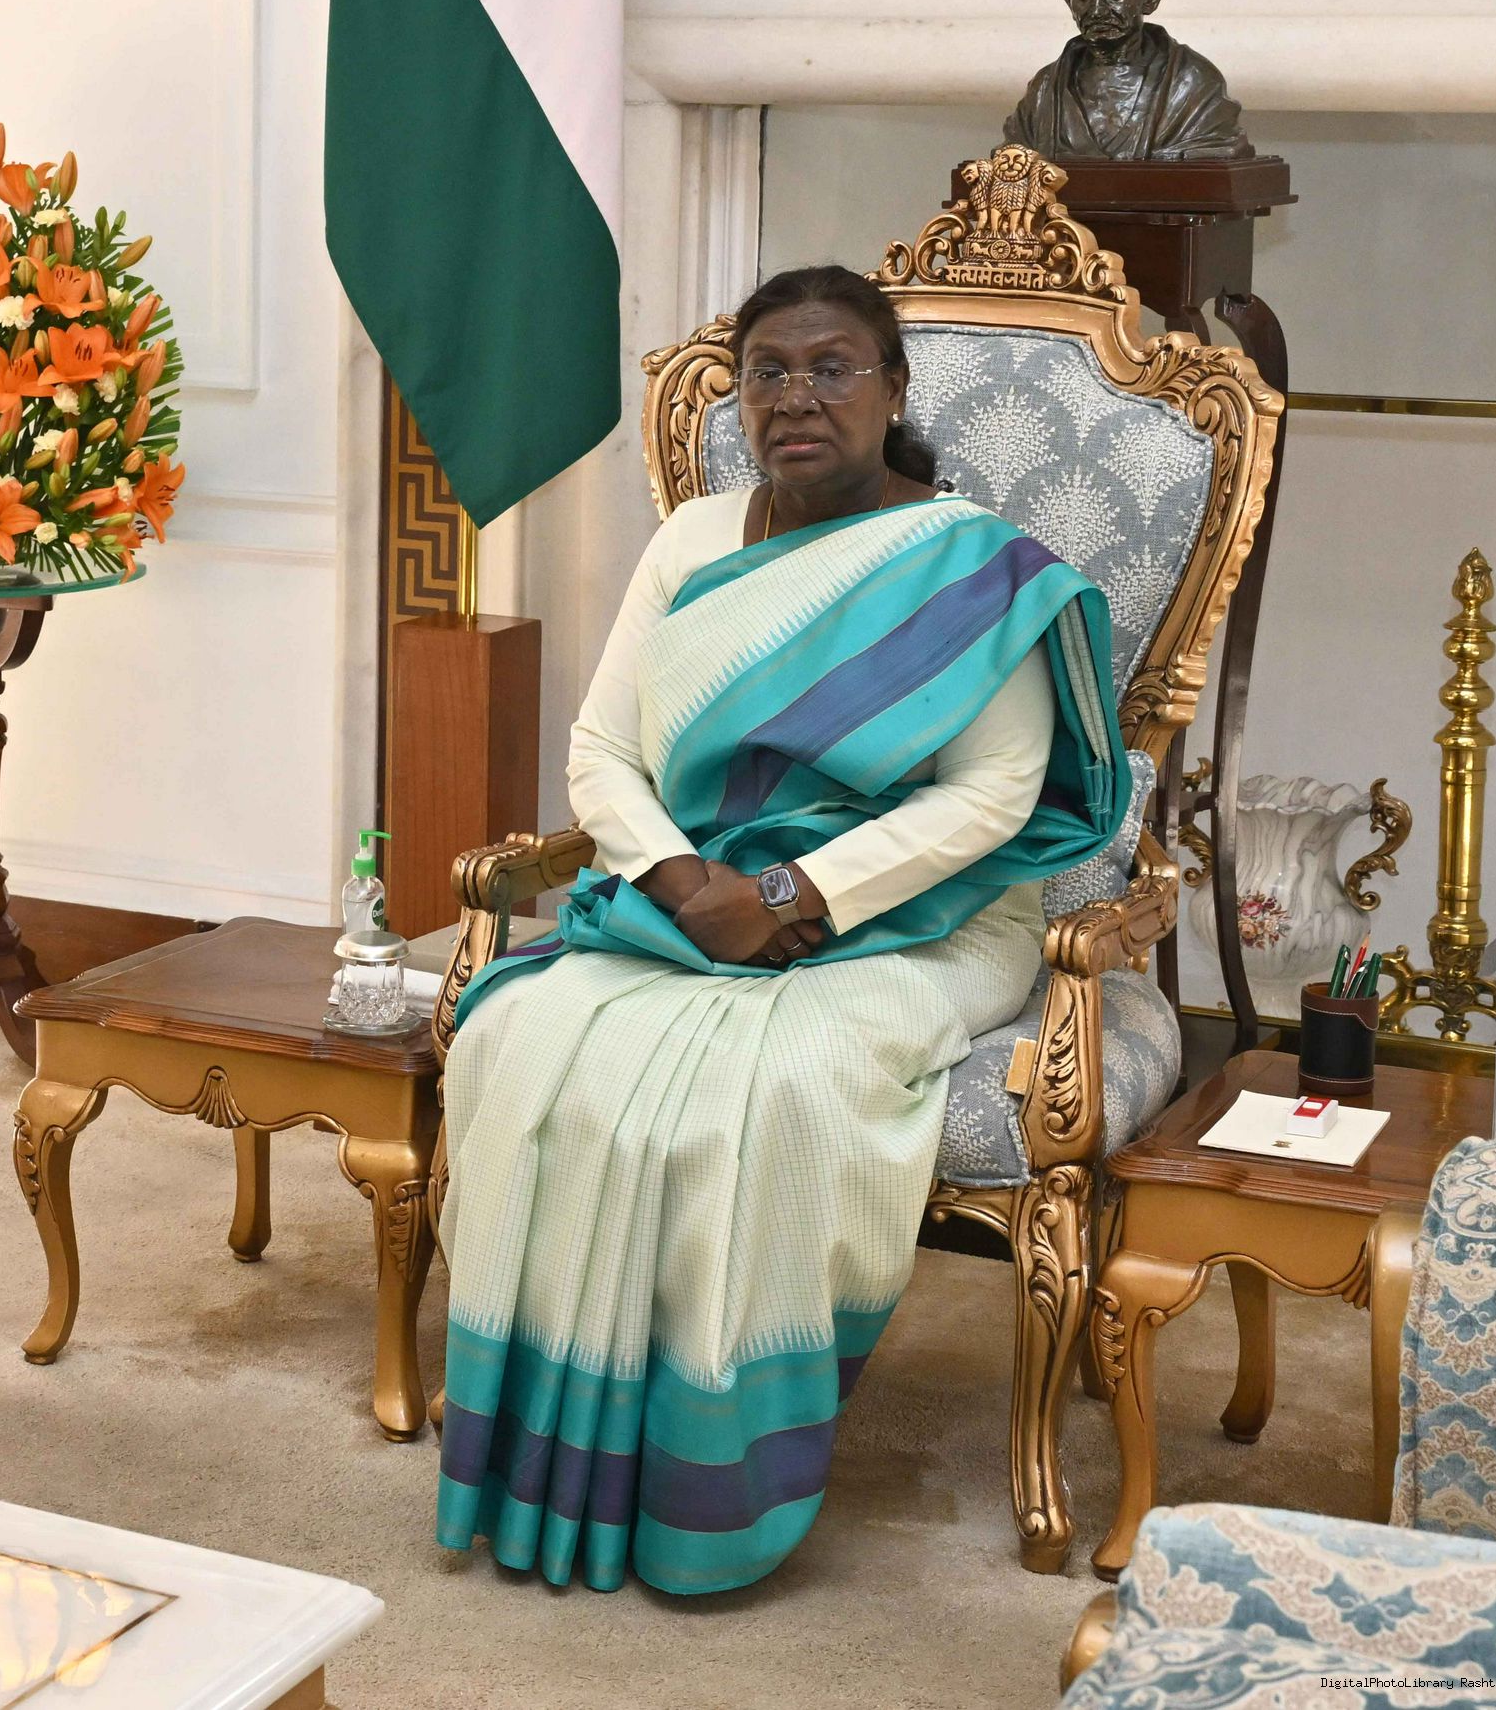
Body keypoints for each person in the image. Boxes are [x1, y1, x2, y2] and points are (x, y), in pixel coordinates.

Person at [432, 264, 1123, 1597]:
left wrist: (792, 896)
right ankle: (566, 1451)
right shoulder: (692, 541)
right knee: (519, 1039)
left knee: (780, 1080)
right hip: (692, 900)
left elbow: (990, 795)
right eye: (767, 372)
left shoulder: (973, 565)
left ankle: (707, 1476)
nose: (796, 396)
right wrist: (690, 881)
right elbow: (600, 750)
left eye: (831, 367)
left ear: (893, 388)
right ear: (738, 395)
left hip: (922, 918)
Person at [1001, 0, 1251, 161]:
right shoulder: (1044, 91)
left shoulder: (1193, 85)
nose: (1097, 10)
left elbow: (1217, 154)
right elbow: (1010, 163)